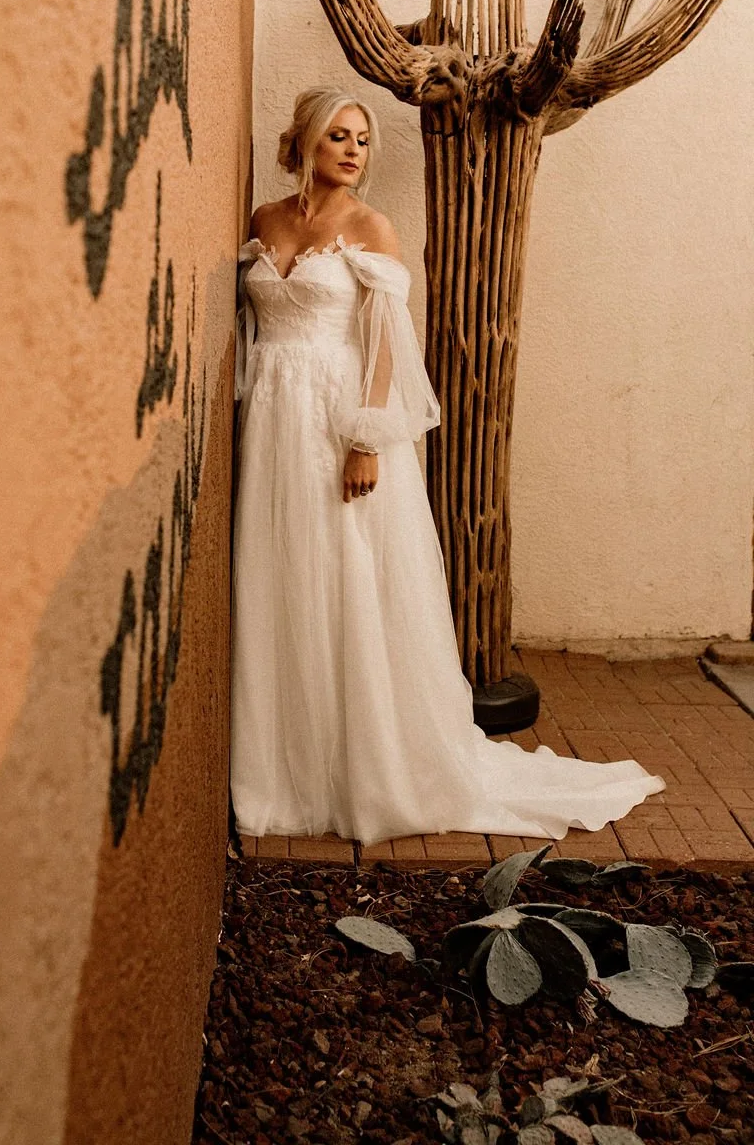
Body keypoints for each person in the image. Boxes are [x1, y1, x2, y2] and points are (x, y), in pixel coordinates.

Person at [231, 85, 664, 845]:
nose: (354, 150)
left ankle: (365, 763)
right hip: (273, 420)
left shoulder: (372, 228)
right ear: (304, 140)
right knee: (283, 577)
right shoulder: (266, 221)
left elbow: (387, 345)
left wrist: (367, 437)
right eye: (338, 135)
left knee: (346, 578)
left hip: (339, 422)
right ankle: (285, 762)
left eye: (363, 138)